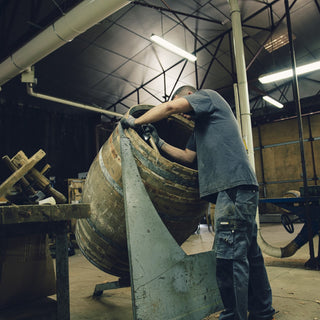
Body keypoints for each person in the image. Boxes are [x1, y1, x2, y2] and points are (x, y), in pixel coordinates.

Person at [121, 85, 275, 320]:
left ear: (191, 96)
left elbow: (170, 107)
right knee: (250, 254)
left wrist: (136, 121)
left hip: (232, 188)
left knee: (229, 258)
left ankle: (234, 316)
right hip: (238, 189)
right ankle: (263, 311)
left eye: (184, 106)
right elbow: (187, 156)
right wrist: (158, 141)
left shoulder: (209, 97)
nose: (183, 114)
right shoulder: (200, 129)